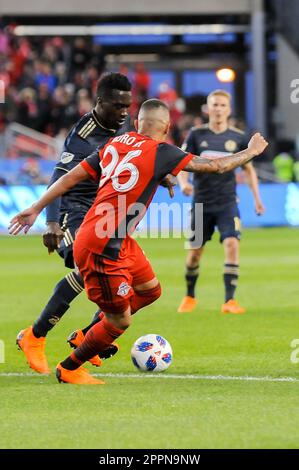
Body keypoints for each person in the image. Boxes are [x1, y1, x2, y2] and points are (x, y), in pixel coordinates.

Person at [9, 98, 268, 384]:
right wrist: (252, 150)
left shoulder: (116, 144)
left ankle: (88, 334)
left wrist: (36, 207)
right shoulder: (163, 151)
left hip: (115, 237)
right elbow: (217, 166)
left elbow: (70, 177)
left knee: (150, 290)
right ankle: (70, 367)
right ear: (168, 128)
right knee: (120, 320)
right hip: (102, 246)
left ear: (136, 124)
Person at [16, 72, 132, 374]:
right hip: (74, 211)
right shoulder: (84, 135)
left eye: (127, 107)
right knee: (88, 268)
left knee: (125, 275)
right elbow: (60, 178)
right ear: (99, 102)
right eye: (117, 106)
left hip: (104, 213)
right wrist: (52, 221)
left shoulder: (122, 126)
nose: (123, 113)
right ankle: (34, 336)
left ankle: (87, 337)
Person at [177, 90, 265, 315]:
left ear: (229, 109)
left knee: (232, 244)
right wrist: (184, 183)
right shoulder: (197, 135)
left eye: (222, 105)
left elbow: (248, 169)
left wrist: (257, 199)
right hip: (201, 203)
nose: (218, 108)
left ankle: (229, 301)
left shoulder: (238, 137)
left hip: (227, 202)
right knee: (195, 252)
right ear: (208, 108)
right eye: (214, 105)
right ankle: (189, 296)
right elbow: (180, 163)